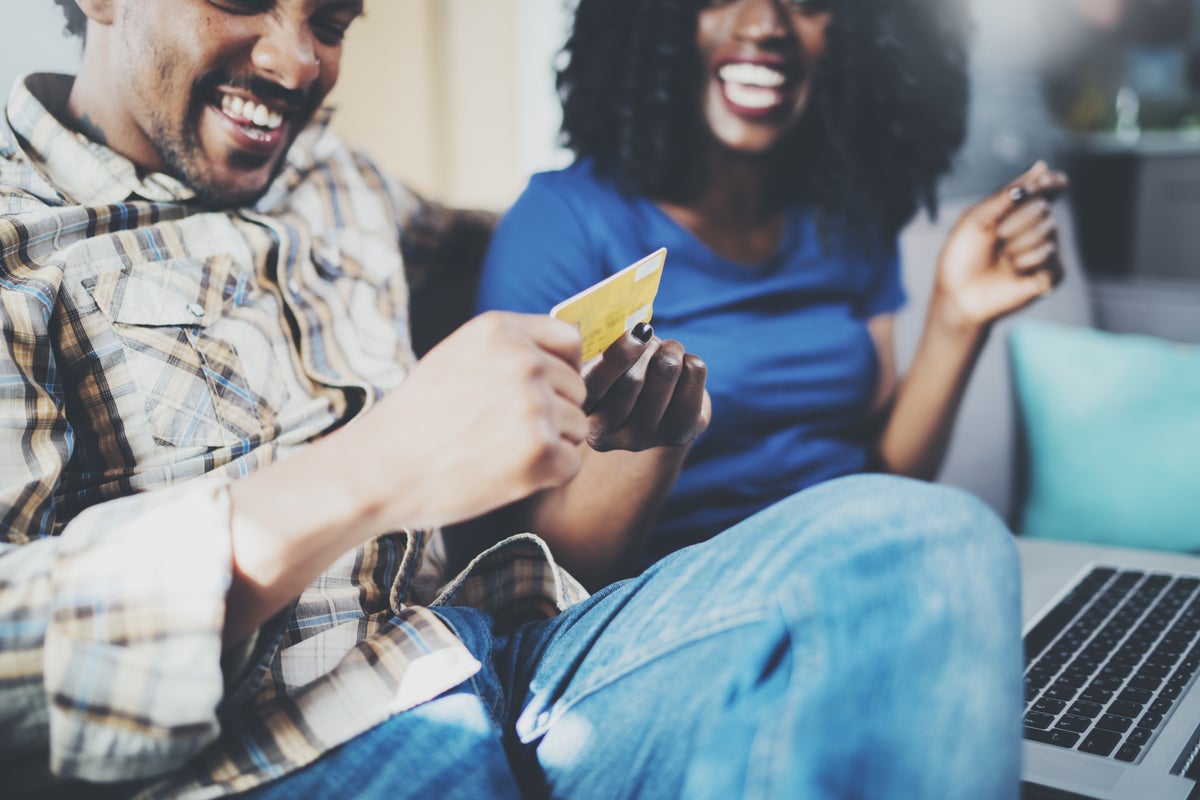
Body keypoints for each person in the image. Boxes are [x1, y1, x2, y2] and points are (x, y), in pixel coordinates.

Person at [0, 1, 1021, 797]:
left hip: (515, 648)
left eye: (333, 20)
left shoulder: (333, 179)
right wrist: (377, 467)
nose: (297, 59)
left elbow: (514, 241)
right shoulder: (21, 247)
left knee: (930, 541)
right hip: (291, 743)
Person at [477, 0, 1070, 568]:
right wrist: (652, 442)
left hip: (854, 563)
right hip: (670, 607)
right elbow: (536, 570)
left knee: (969, 539)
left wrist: (957, 317)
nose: (764, 23)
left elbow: (887, 475)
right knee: (970, 538)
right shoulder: (564, 220)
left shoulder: (848, 219)